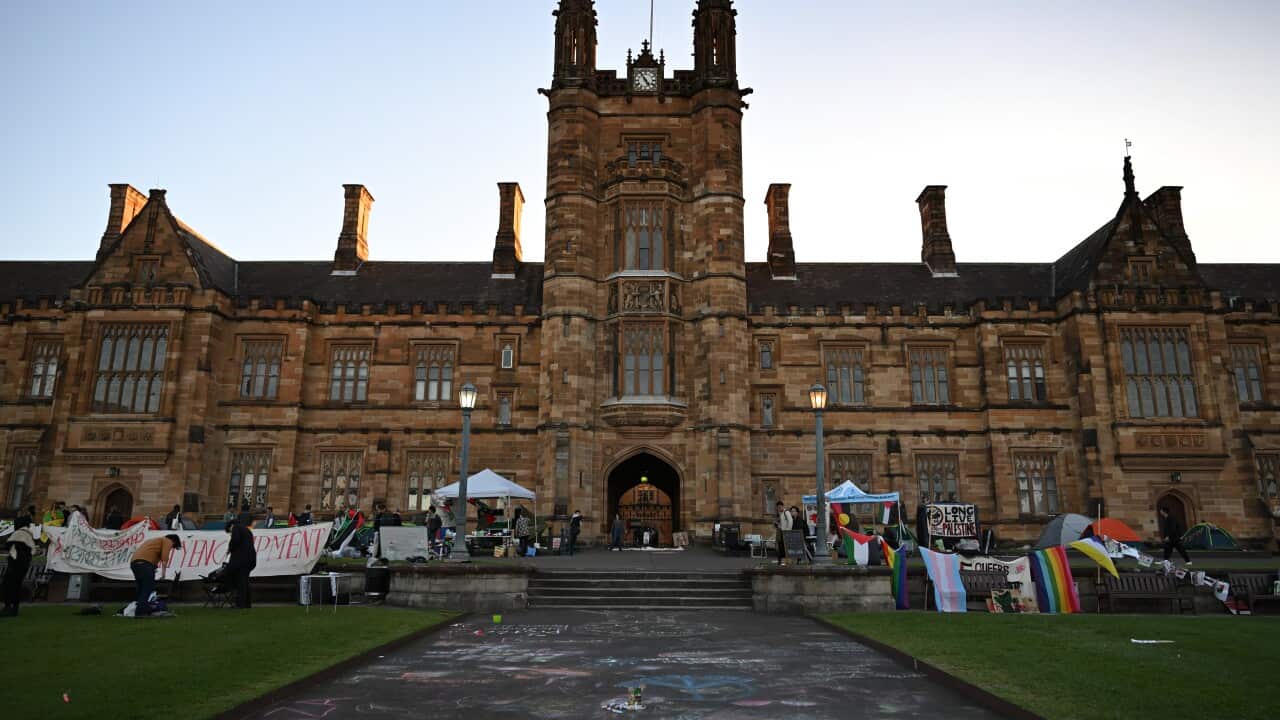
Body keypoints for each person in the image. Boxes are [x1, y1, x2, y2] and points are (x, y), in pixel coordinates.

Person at [128, 533, 181, 617]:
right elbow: (164, 559)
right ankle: (140, 613)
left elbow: (150, 554)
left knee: (141, 588)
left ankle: (138, 609)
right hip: (145, 564)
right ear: (174, 541)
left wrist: (153, 567)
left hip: (134, 563)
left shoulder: (153, 541)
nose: (171, 548)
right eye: (173, 547)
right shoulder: (167, 541)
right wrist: (163, 574)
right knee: (147, 589)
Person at [1, 518, 37, 617]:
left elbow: (8, 545)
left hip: (15, 563)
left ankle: (8, 607)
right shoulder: (29, 534)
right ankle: (14, 609)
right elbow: (32, 550)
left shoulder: (19, 533)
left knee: (8, 584)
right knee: (17, 586)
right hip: (24, 564)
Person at [223, 519, 257, 609]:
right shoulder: (246, 529)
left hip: (241, 560)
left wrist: (230, 549)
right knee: (245, 582)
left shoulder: (236, 528)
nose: (230, 534)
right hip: (250, 559)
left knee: (240, 582)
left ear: (231, 526)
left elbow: (235, 540)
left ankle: (240, 604)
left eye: (230, 532)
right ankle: (247, 603)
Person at [775, 501, 792, 565]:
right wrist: (776, 524)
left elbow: (790, 521)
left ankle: (785, 560)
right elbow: (780, 523)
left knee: (784, 547)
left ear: (782, 506)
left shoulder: (786, 512)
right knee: (779, 546)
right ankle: (780, 560)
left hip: (785, 532)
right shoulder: (779, 514)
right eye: (777, 507)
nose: (778, 508)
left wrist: (787, 530)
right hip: (780, 531)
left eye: (779, 507)